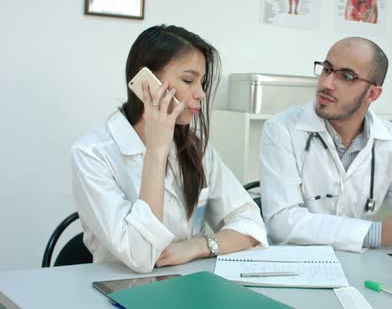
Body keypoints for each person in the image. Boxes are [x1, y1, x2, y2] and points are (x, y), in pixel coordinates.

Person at [72, 25, 267, 273]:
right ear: (146, 81)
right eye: (188, 80)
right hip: (121, 288)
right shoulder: (91, 153)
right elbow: (141, 257)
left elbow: (251, 225)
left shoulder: (194, 146)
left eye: (203, 82)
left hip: (188, 284)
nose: (201, 94)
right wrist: (156, 151)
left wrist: (197, 246)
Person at [259, 37, 392, 252]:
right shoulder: (282, 128)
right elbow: (281, 222)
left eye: (346, 77)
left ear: (372, 94)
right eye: (327, 69)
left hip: (358, 264)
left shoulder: (389, 137)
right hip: (296, 263)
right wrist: (375, 233)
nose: (327, 83)